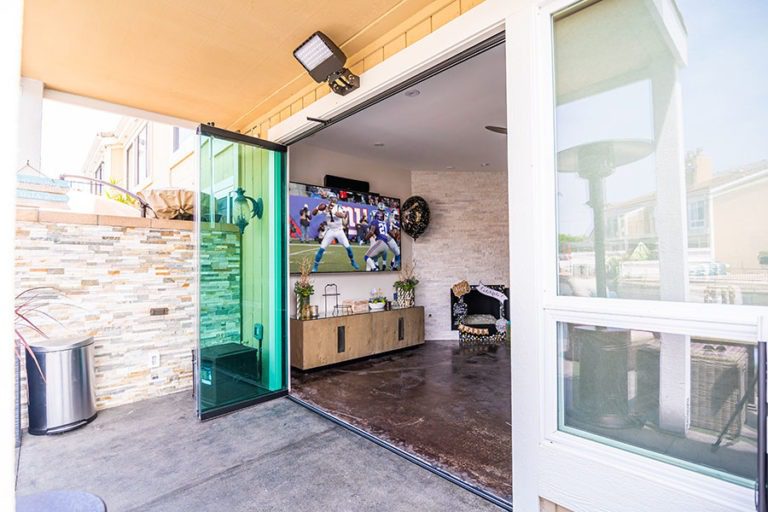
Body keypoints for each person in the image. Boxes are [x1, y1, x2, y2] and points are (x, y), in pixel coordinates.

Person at [311, 194, 359, 272]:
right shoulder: (324, 206)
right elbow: (313, 213)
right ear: (329, 199)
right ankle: (315, 266)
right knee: (321, 249)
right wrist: (317, 208)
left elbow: (342, 215)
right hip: (330, 230)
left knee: (348, 248)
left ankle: (353, 261)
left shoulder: (338, 207)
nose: (334, 200)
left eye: (334, 199)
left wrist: (334, 212)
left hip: (339, 230)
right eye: (332, 199)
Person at [363, 206, 390, 271]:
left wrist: (364, 240)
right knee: (371, 257)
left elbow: (371, 232)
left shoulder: (375, 221)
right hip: (386, 245)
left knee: (367, 256)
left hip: (380, 242)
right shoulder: (385, 223)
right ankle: (369, 270)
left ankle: (375, 268)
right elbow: (390, 233)